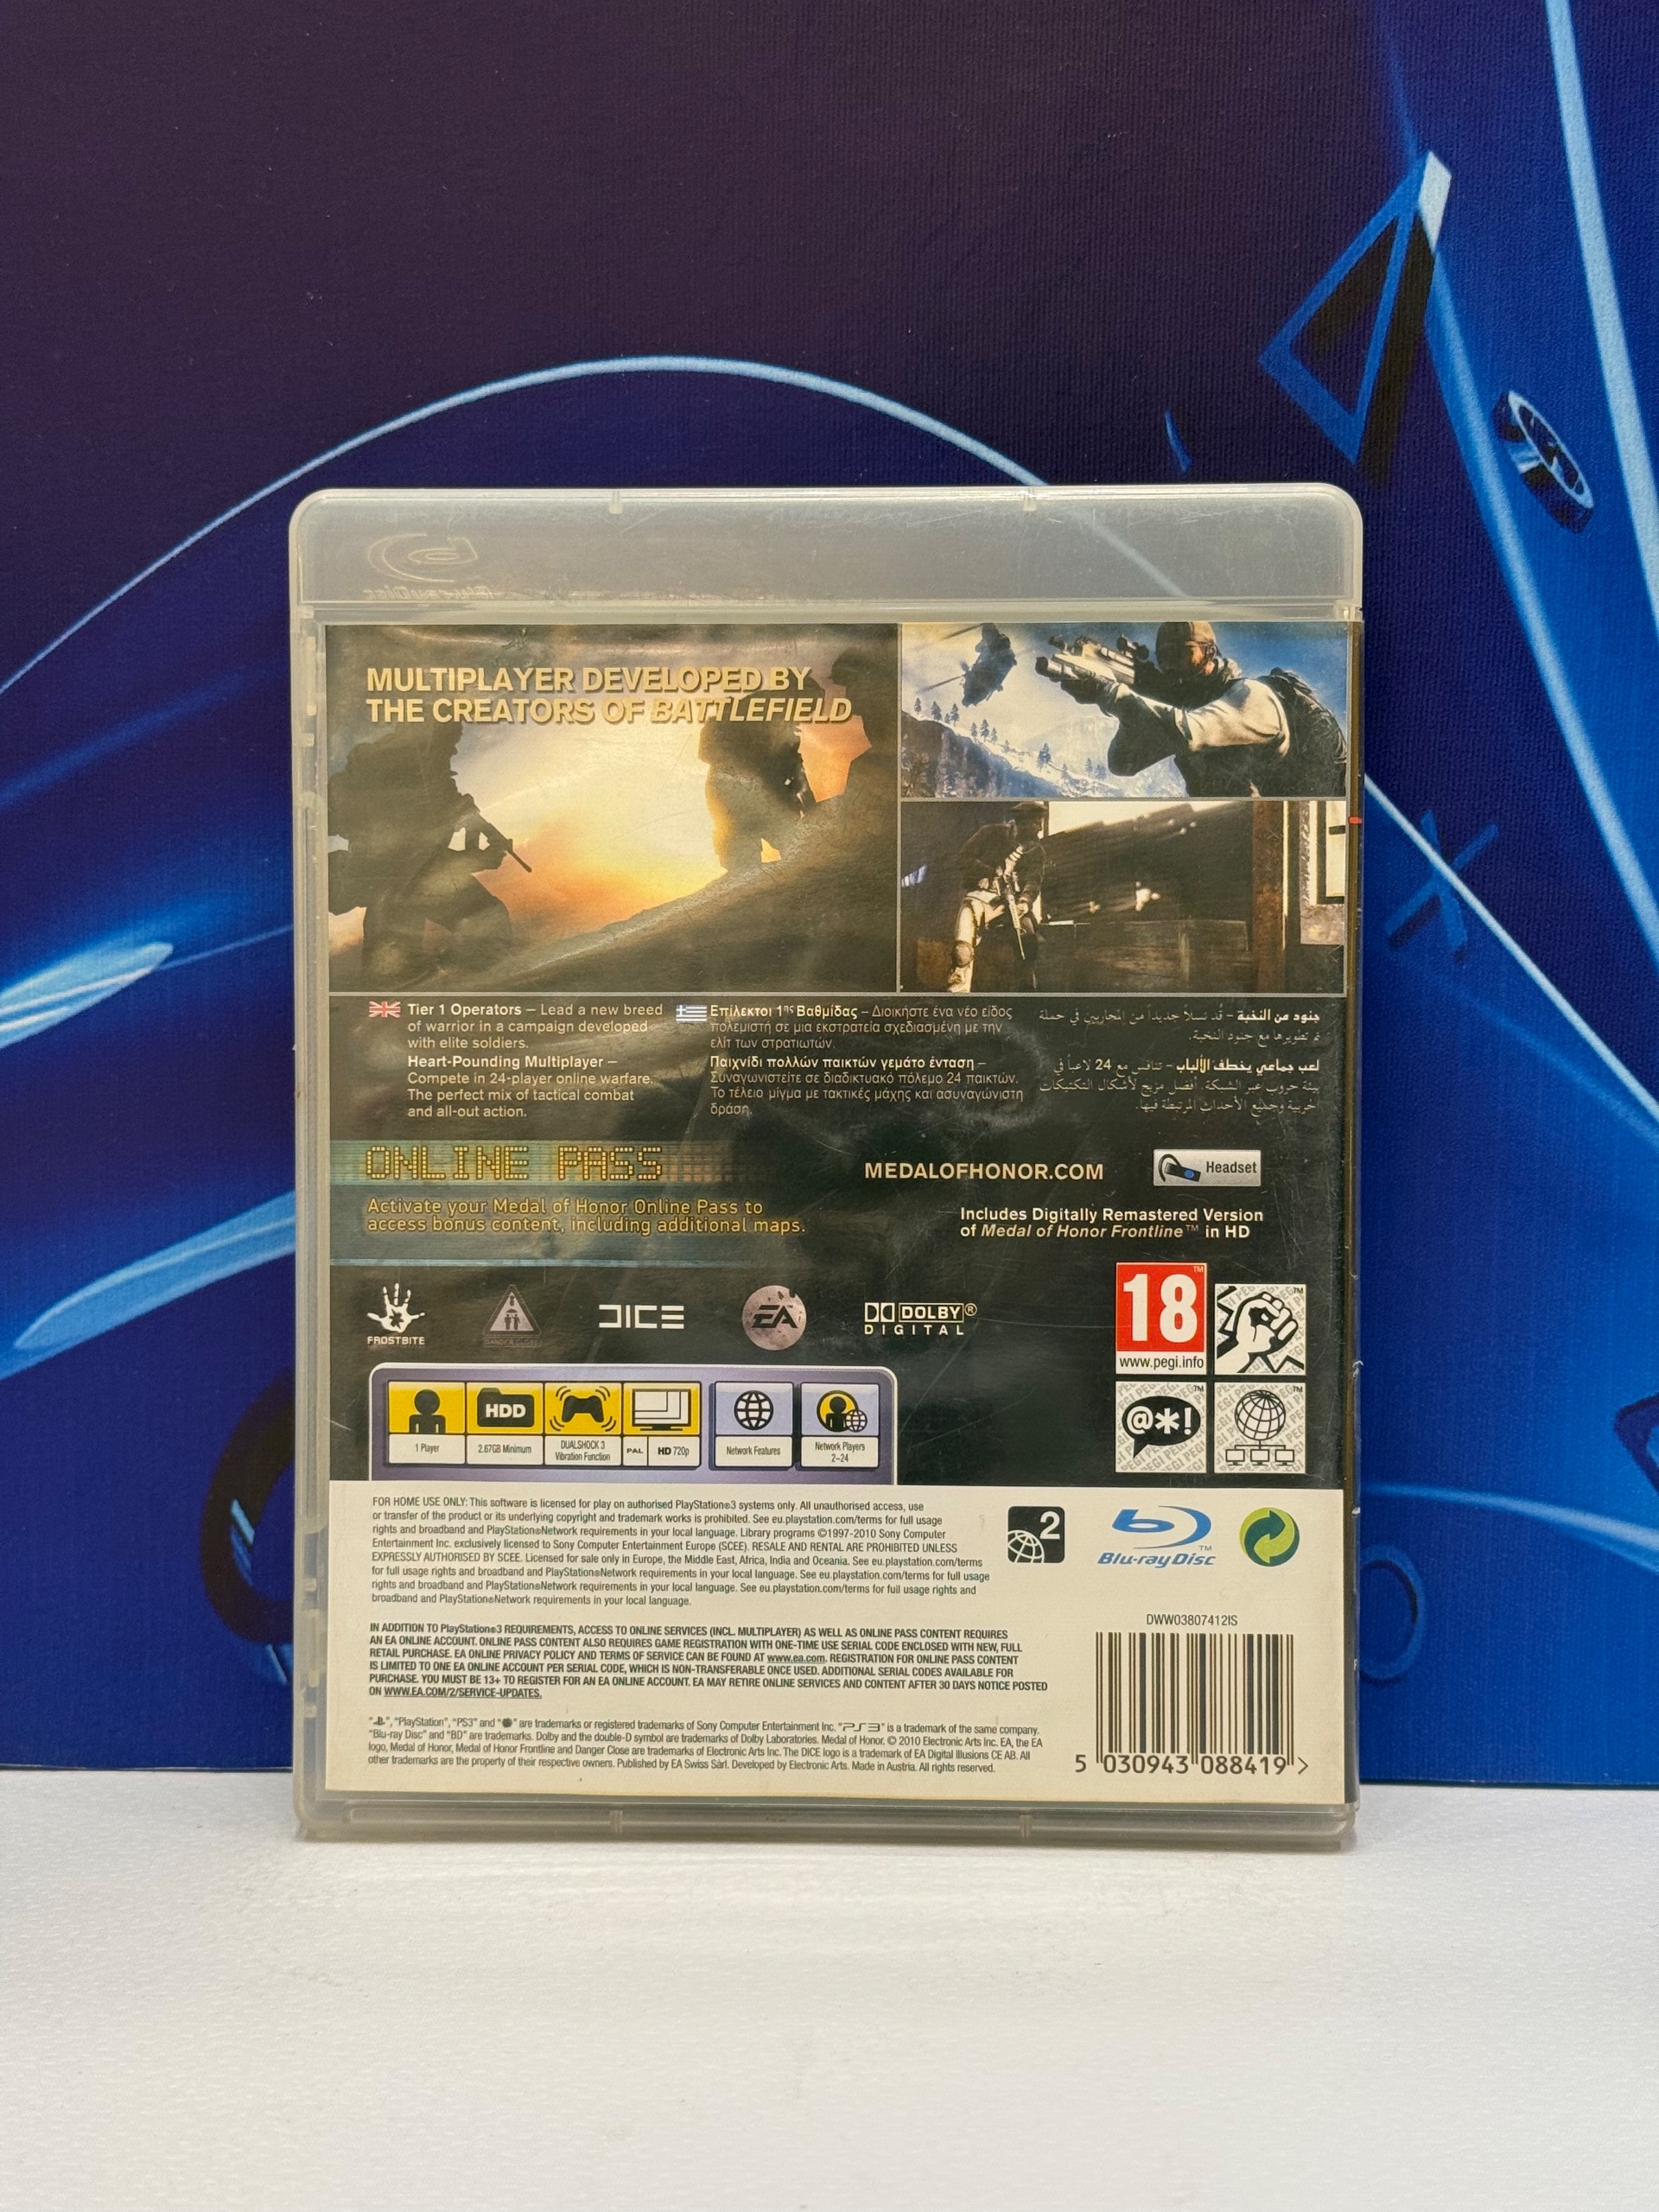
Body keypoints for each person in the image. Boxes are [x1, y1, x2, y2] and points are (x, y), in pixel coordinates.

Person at [1052, 620, 1346, 797]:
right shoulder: (1188, 709)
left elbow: (1188, 733)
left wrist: (1110, 695)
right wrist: (1129, 707)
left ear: (1209, 653)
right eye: (1164, 658)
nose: (1170, 667)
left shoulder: (1250, 696)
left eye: (1182, 654)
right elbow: (1123, 763)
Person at [327, 725, 514, 985]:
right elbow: (411, 861)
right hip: (397, 897)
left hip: (405, 889)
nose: (454, 749)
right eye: (450, 741)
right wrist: (477, 857)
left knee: (490, 930)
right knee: (394, 972)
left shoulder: (429, 778)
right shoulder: (402, 783)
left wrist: (476, 836)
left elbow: (439, 841)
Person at [699, 677, 818, 871]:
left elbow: (793, 769)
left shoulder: (768, 712)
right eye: (810, 703)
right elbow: (788, 770)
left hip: (726, 787)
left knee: (753, 857)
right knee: (789, 845)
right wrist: (807, 806)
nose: (810, 712)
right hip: (738, 789)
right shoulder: (771, 715)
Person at [947, 800, 1046, 992]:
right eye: (1036, 823)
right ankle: (957, 992)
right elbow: (963, 858)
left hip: (1013, 904)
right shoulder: (990, 833)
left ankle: (1026, 994)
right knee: (963, 946)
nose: (1040, 829)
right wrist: (989, 873)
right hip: (980, 897)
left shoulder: (1036, 851)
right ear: (1022, 822)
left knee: (1027, 942)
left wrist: (1025, 902)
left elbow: (1034, 881)